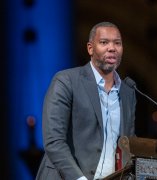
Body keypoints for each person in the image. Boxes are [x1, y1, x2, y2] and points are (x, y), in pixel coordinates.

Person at [36, 22, 136, 180]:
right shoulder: (66, 81)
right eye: (104, 42)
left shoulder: (128, 92)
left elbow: (128, 145)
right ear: (90, 48)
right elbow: (54, 141)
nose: (112, 48)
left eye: (117, 43)